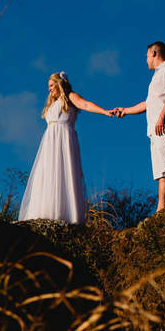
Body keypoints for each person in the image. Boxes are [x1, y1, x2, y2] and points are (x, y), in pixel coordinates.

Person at [18, 71, 114, 224]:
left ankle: (66, 214)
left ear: (59, 84)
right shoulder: (51, 104)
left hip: (63, 137)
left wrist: (105, 111)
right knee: (48, 173)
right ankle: (46, 211)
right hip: (49, 141)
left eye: (51, 85)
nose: (49, 89)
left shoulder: (70, 97)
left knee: (63, 171)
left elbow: (87, 104)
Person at [112, 42, 165, 211]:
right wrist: (126, 110)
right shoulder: (156, 77)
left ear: (153, 53)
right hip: (155, 130)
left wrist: (161, 118)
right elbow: (149, 103)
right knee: (162, 171)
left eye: (146, 56)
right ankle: (161, 208)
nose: (145, 61)